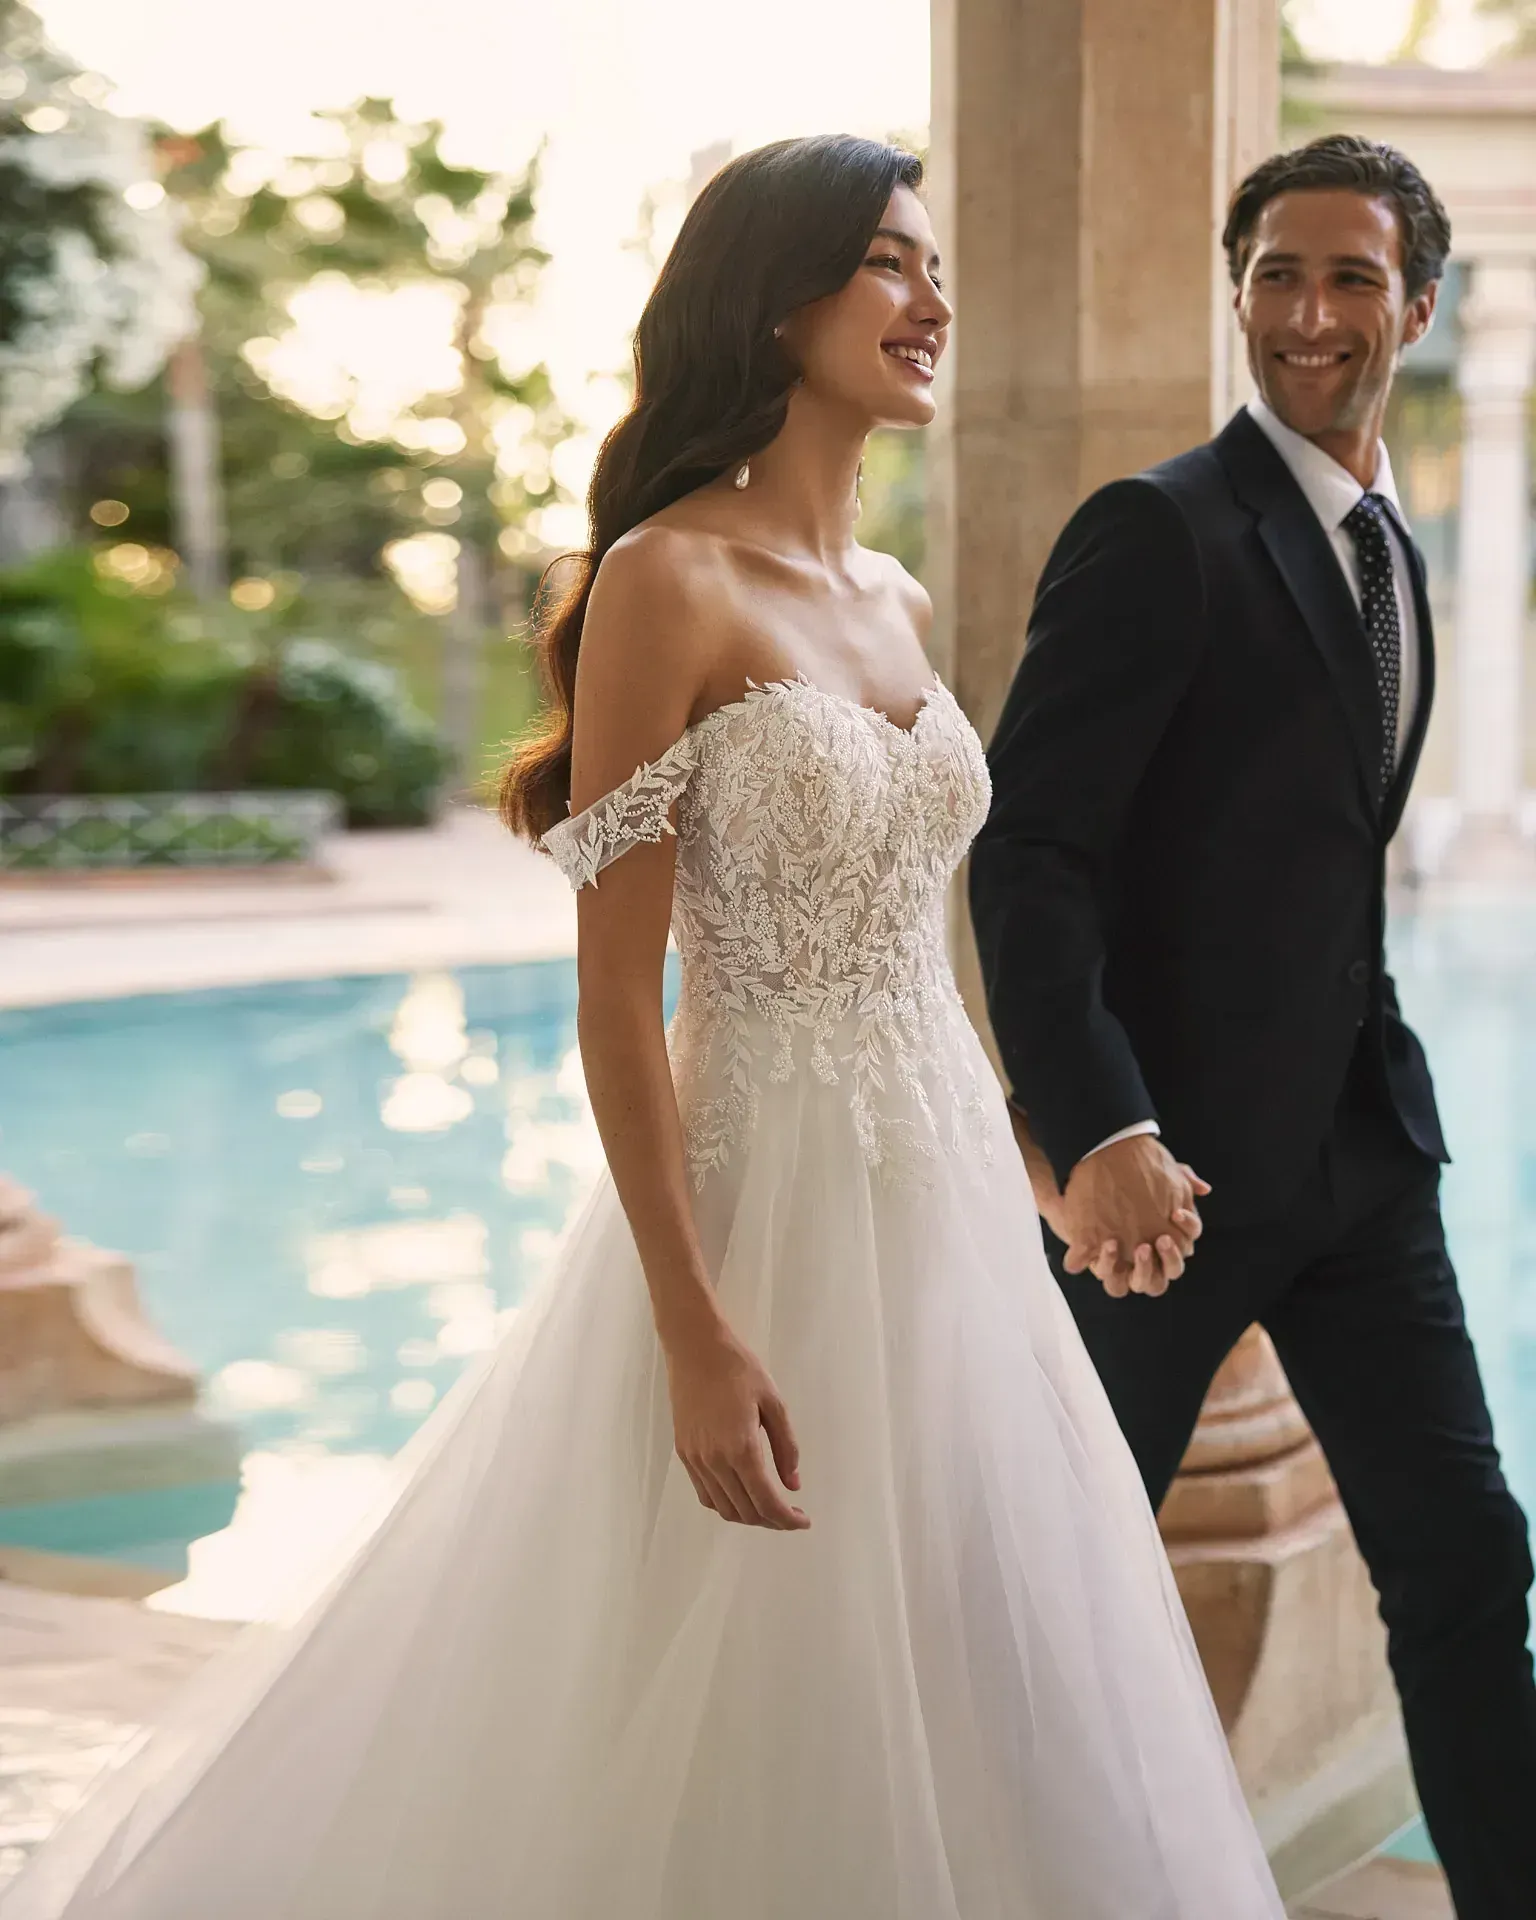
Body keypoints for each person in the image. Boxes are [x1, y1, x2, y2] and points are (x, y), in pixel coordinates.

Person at [0, 136, 1283, 1919]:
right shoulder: (663, 580)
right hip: (757, 1230)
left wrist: (1043, 1176)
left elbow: (911, 972)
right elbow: (619, 998)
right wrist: (693, 1326)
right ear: (776, 303)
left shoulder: (899, 604)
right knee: (744, 1681)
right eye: (891, 266)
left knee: (978, 1671)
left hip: (951, 1234)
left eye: (935, 264)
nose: (935, 301)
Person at [970, 133, 1536, 1920]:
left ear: (1418, 307)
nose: (1310, 311)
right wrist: (1102, 1132)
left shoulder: (1395, 550)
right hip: (1170, 1190)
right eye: (1278, 274)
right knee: (1064, 1592)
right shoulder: (1158, 532)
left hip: (1365, 1164)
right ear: (1238, 296)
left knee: (1466, 1565)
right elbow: (1035, 854)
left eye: (1352, 276)